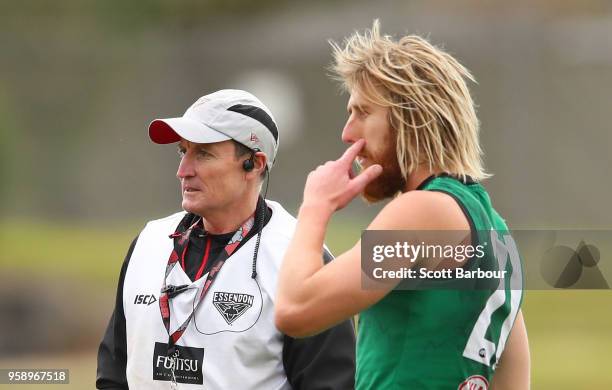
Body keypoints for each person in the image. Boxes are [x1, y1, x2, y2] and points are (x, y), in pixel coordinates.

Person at [275, 22, 530, 390]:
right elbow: (514, 380)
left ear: (410, 117)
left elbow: (295, 310)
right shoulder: (497, 230)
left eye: (362, 112)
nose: (348, 133)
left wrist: (316, 206)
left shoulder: (421, 212)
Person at [96, 89, 355, 389]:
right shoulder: (149, 241)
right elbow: (113, 372)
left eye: (203, 153)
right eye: (183, 151)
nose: (183, 171)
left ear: (255, 164)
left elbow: (330, 382)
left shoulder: (299, 257)